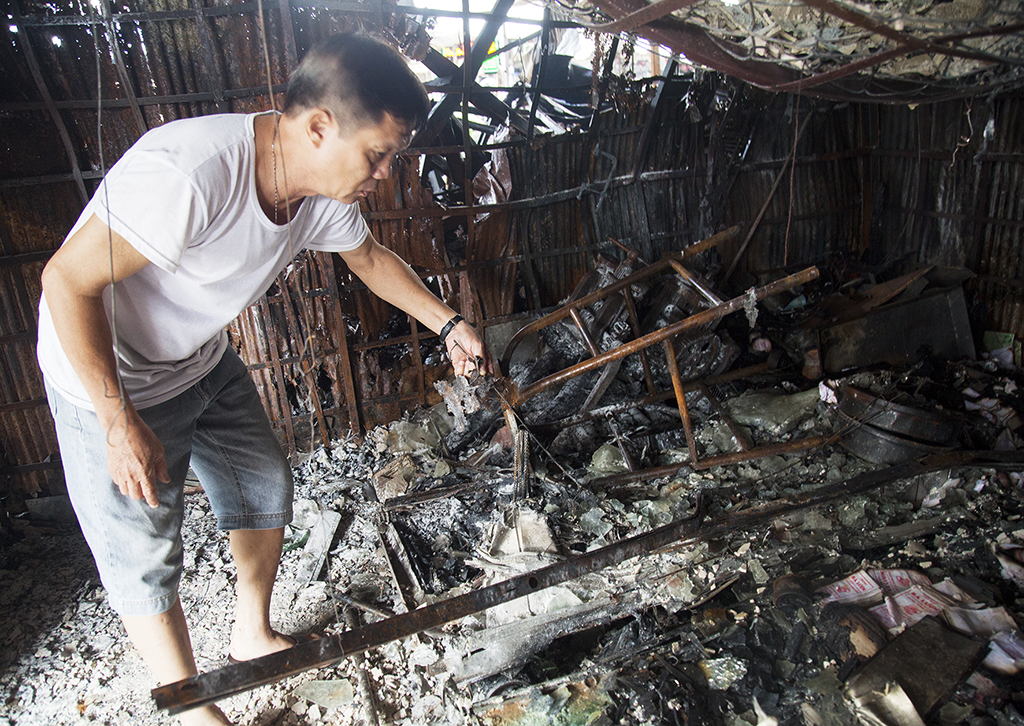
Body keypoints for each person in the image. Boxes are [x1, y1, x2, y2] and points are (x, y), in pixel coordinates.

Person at [37, 33, 490, 726]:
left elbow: (366, 256)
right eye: (378, 155)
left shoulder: (316, 190)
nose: (385, 174)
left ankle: (250, 633)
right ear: (319, 127)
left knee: (260, 482)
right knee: (144, 545)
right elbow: (66, 281)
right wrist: (116, 420)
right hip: (107, 373)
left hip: (195, 358)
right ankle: (189, 707)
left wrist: (449, 323)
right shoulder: (190, 175)